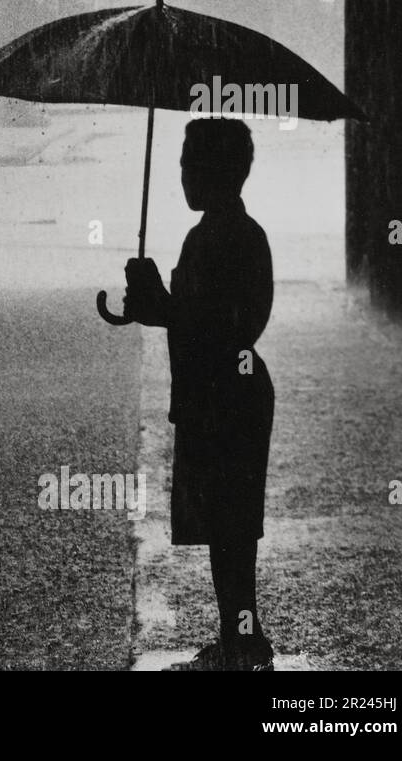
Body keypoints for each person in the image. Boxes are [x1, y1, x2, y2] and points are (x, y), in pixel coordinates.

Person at [123, 116, 276, 671]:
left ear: (213, 172)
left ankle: (243, 638)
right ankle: (240, 634)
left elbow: (221, 322)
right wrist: (159, 305)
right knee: (227, 526)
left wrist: (159, 304)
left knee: (229, 526)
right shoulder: (230, 233)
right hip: (226, 393)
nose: (182, 175)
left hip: (223, 400)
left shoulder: (221, 237)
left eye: (189, 165)